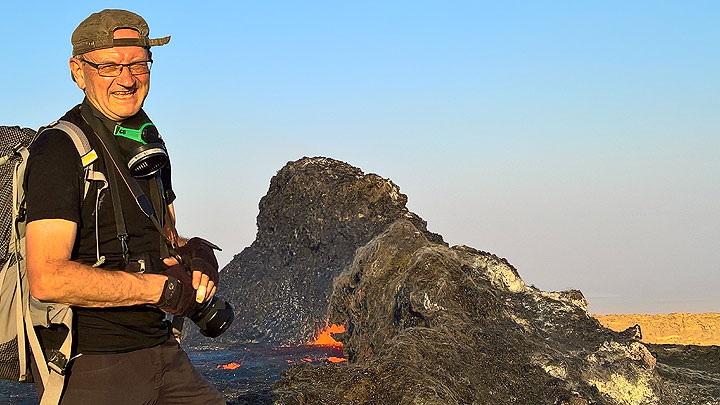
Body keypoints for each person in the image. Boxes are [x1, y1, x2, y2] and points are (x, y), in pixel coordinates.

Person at [23, 9, 226, 404]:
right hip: (94, 365)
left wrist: (194, 256)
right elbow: (47, 277)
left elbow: (163, 240)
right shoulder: (59, 150)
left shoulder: (147, 145)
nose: (128, 79)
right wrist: (156, 290)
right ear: (78, 72)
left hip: (164, 352)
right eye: (110, 67)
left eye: (138, 64)